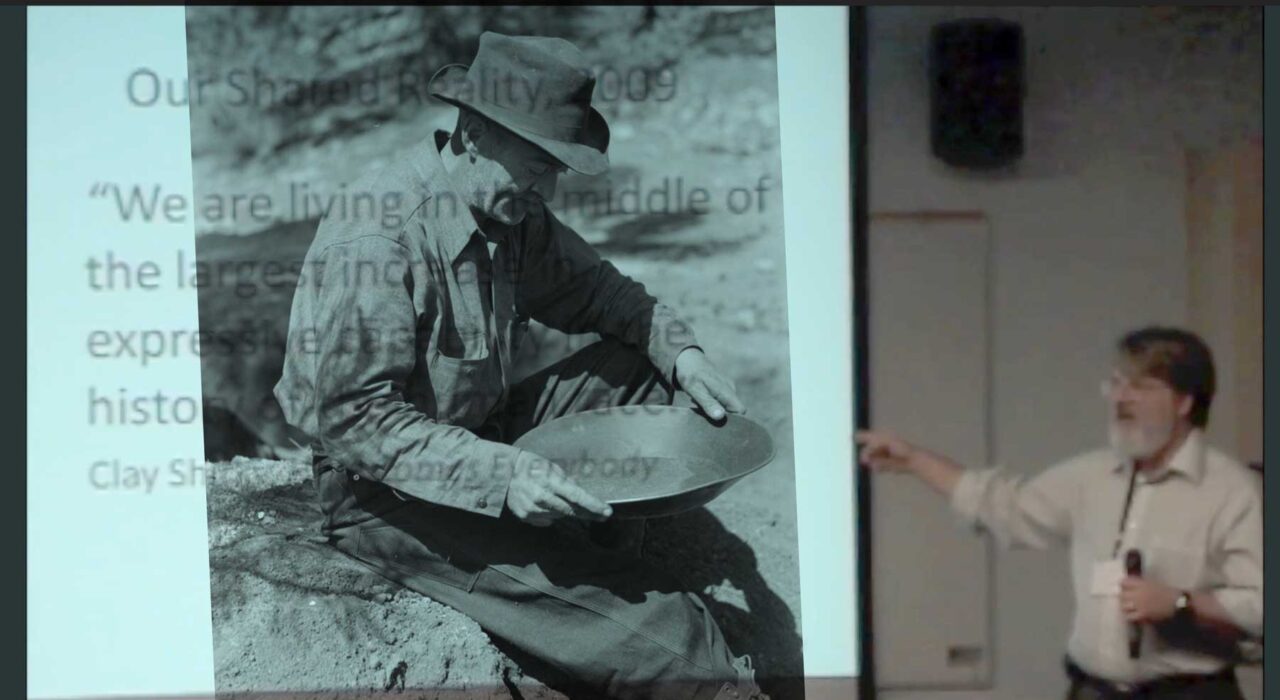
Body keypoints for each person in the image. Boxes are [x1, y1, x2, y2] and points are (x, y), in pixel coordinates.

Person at [273, 32, 767, 700]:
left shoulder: (506, 209)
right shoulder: (379, 238)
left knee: (646, 371)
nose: (549, 185)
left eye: (558, 166)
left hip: (482, 433)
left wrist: (684, 352)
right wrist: (503, 475)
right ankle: (618, 615)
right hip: (383, 496)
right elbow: (344, 418)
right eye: (538, 162)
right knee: (674, 639)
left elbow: (603, 294)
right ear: (473, 132)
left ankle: (585, 563)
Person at [857, 327, 1262, 699]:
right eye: (1117, 383)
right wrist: (913, 461)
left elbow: (1262, 605)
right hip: (1092, 689)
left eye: (1140, 385)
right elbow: (1004, 506)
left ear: (1184, 401)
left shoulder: (1231, 491)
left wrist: (1181, 604)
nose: (1120, 397)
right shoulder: (1091, 475)